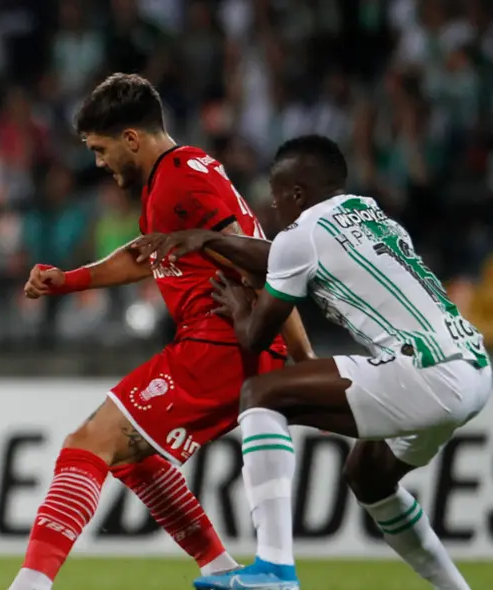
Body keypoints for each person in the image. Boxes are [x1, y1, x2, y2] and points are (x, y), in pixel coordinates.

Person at [138, 135, 488, 590]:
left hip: (425, 373)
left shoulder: (300, 234)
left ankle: (274, 568)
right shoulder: (368, 212)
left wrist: (239, 307)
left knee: (261, 395)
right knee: (369, 477)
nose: (274, 206)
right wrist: (210, 240)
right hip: (473, 368)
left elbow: (255, 337)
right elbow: (281, 256)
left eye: (276, 196)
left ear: (297, 193)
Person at [9, 73, 315, 590]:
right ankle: (221, 571)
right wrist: (70, 280)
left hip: (222, 342)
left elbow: (264, 261)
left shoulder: (179, 179)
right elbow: (145, 256)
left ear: (131, 138)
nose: (99, 163)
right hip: (227, 342)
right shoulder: (178, 174)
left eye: (101, 149)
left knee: (89, 442)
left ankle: (29, 587)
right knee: (137, 458)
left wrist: (299, 357)